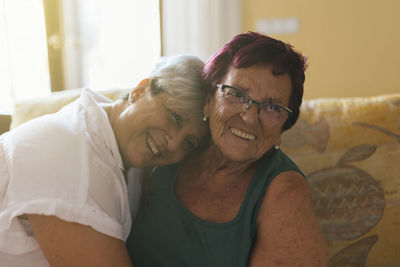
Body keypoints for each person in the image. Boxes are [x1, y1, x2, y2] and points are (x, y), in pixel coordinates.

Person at [127, 32, 328, 266]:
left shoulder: (284, 192)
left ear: (283, 128)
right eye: (236, 94)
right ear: (208, 101)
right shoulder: (172, 145)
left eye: (272, 107)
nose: (250, 117)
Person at [0, 54, 208, 267]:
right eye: (175, 117)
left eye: (189, 142)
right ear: (140, 89)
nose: (174, 144)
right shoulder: (72, 153)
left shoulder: (122, 155)